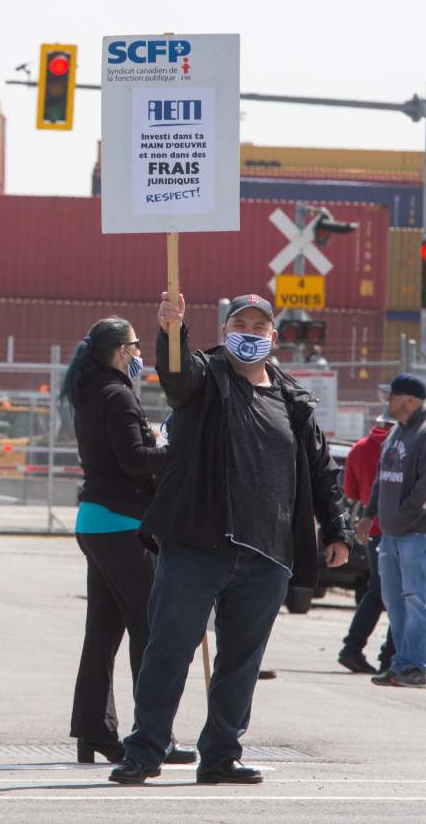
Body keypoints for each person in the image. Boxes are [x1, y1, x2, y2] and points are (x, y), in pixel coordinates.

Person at [110, 294, 350, 787]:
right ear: (224, 331)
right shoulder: (205, 378)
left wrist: (338, 528)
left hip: (267, 554)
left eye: (260, 325)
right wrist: (172, 331)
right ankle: (145, 749)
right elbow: (175, 375)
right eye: (240, 323)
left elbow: (321, 470)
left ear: (273, 337)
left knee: (241, 663)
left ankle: (221, 755)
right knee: (168, 651)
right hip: (199, 545)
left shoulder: (293, 400)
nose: (250, 332)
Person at [56, 318, 195, 767]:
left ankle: (94, 731)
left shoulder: (92, 391)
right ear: (120, 351)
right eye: (136, 346)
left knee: (102, 631)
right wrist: (179, 450)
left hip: (97, 522)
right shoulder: (116, 395)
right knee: (149, 629)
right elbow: (135, 461)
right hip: (119, 525)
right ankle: (152, 734)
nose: (140, 354)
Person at [358, 374, 426, 689]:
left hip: (419, 533)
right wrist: (368, 515)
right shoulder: (397, 432)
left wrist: (402, 519)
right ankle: (401, 663)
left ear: (409, 400)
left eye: (392, 395)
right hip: (391, 533)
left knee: (414, 598)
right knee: (393, 599)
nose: (388, 401)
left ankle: (415, 666)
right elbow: (381, 480)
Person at [338, 417, 397, 674]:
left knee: (380, 590)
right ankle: (388, 654)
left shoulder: (359, 447)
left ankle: (355, 648)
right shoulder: (404, 446)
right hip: (399, 529)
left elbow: (349, 491)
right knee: (400, 593)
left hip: (371, 529)